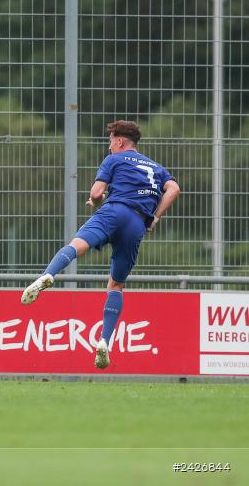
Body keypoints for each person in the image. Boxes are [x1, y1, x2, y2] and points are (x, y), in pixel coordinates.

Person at [21, 120, 180, 369]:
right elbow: (174, 189)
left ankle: (48, 275)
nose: (109, 147)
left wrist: (96, 201)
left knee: (76, 246)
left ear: (120, 141)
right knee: (116, 285)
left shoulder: (114, 160)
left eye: (110, 141)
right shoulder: (156, 167)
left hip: (114, 211)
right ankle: (104, 340)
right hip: (137, 223)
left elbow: (96, 193)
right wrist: (155, 218)